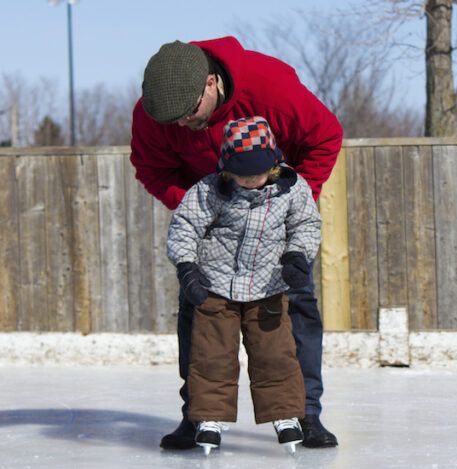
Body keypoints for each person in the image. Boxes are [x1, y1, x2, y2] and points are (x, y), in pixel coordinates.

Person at [131, 37, 343, 449]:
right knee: (200, 320)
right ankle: (196, 417)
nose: (181, 125)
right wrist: (206, 213)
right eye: (171, 119)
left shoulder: (270, 87)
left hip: (276, 221)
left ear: (212, 83)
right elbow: (151, 169)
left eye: (189, 113)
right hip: (215, 234)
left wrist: (290, 206)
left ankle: (306, 413)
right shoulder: (155, 113)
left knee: (293, 308)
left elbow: (326, 138)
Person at [167, 116, 321, 455]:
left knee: (275, 354)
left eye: (258, 172)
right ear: (226, 167)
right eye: (243, 174)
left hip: (268, 287)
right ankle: (208, 418)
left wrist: (297, 256)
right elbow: (184, 228)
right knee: (211, 356)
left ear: (274, 162)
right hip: (216, 288)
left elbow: (306, 225)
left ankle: (286, 415)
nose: (251, 181)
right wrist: (188, 269)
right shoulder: (209, 190)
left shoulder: (292, 190)